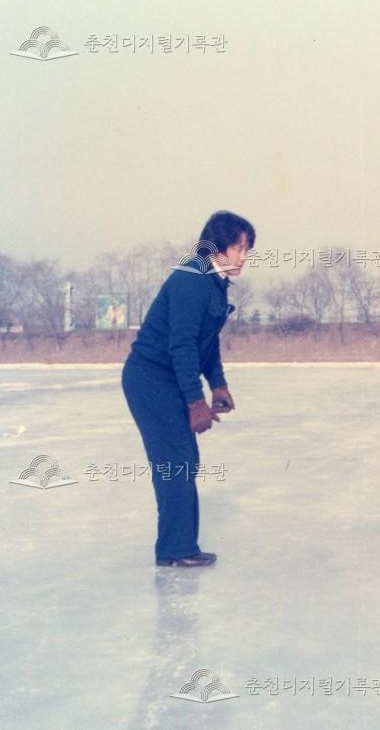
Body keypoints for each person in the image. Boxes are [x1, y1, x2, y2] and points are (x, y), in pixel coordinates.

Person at [121, 211, 251, 567]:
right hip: (151, 379)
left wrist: (218, 384)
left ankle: (179, 546)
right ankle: (175, 550)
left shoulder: (214, 282)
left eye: (247, 249)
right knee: (175, 460)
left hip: (171, 377)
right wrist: (195, 401)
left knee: (184, 460)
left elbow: (205, 344)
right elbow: (180, 345)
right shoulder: (192, 279)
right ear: (217, 245)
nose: (244, 256)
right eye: (238, 247)